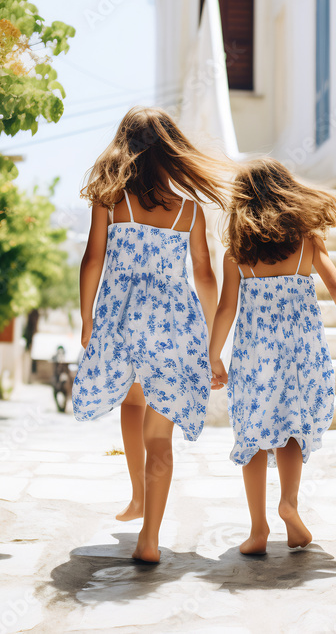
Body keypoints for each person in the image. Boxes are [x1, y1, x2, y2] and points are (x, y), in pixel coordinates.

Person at [72, 106, 231, 562]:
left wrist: (86, 317)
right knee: (160, 433)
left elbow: (92, 260)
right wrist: (210, 343)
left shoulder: (111, 201)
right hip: (175, 327)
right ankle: (150, 536)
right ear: (170, 153)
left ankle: (139, 495)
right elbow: (204, 276)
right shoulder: (189, 212)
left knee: (131, 399)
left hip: (124, 321)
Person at [209, 158, 336, 555]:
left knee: (252, 432)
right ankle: (289, 503)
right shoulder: (307, 241)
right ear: (286, 193)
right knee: (292, 424)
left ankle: (258, 530)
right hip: (301, 352)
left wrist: (214, 356)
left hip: (254, 355)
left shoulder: (237, 253)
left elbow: (226, 309)